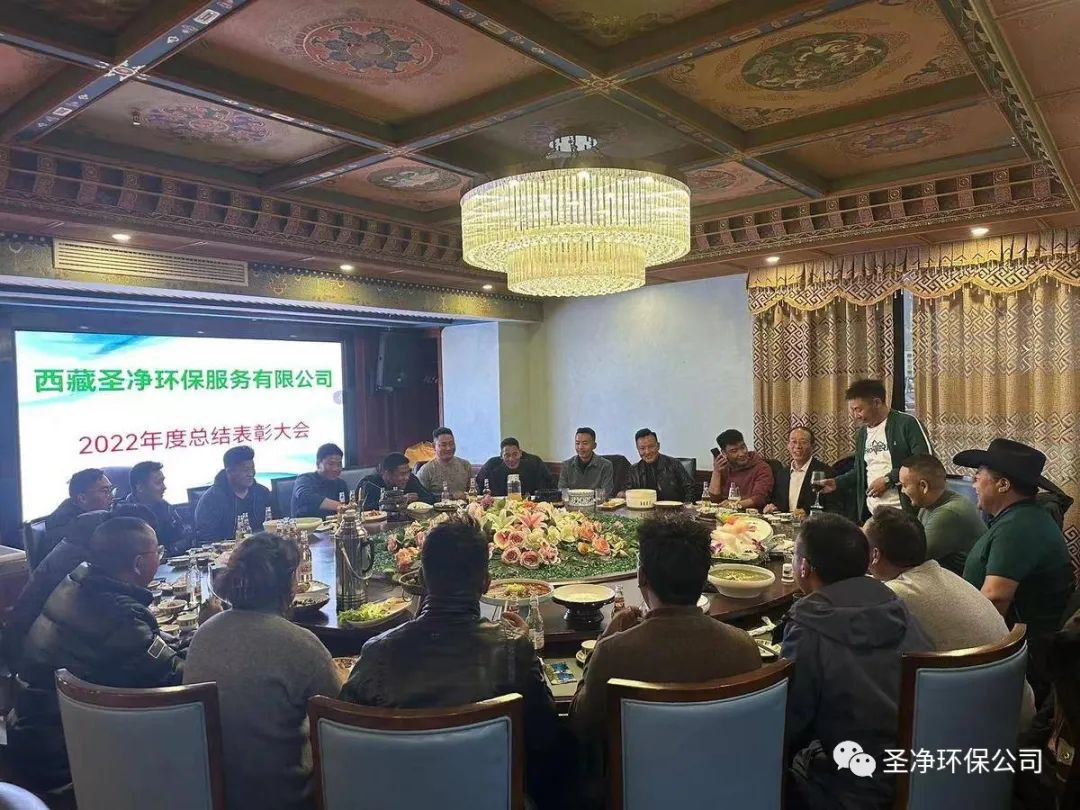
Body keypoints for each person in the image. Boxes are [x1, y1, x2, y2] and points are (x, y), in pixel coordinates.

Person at [340, 517, 558, 802]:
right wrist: (526, 649)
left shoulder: (377, 653)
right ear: (486, 583)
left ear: (421, 579)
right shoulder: (512, 648)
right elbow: (546, 735)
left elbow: (345, 748)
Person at [7, 516, 184, 790]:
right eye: (157, 552)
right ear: (138, 564)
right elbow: (179, 678)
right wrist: (210, 634)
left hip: (33, 736)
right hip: (68, 765)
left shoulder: (76, 580)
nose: (160, 557)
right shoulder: (120, 616)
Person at [782, 512, 929, 810]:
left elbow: (789, 722)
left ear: (805, 567)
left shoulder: (810, 625)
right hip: (918, 771)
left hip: (852, 785)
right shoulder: (895, 604)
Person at [184, 532, 339, 810]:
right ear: (287, 584)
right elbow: (342, 723)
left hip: (214, 796)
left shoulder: (202, 635)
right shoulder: (301, 645)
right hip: (287, 799)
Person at [570, 515, 759, 741]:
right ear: (704, 578)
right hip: (722, 763)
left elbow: (579, 723)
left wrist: (604, 640)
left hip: (637, 765)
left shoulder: (613, 653)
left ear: (642, 577)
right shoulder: (744, 648)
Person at [864, 506, 1035, 727]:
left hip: (973, 728)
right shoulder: (942, 574)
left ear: (875, 555)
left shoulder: (894, 597)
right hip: (1015, 716)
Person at [956, 439, 1074, 702]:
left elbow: (996, 598)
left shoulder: (1018, 527)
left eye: (978, 477)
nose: (973, 484)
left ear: (1003, 484)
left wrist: (966, 653)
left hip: (1024, 660)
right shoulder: (1020, 518)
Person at [2, 502, 156, 671]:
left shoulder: (84, 563)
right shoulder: (83, 566)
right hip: (38, 665)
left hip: (39, 662)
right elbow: (166, 670)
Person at [817, 379, 932, 521]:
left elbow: (924, 461)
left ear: (877, 403)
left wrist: (888, 480)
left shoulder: (907, 424)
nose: (856, 416)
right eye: (853, 410)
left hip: (906, 513)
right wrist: (837, 483)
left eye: (859, 409)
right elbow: (860, 471)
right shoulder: (862, 434)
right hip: (874, 513)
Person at [897, 454, 985, 574]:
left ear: (923, 486)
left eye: (904, 485)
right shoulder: (929, 503)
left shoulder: (948, 514)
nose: (902, 491)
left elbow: (909, 561)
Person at [195, 445, 272, 543]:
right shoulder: (211, 500)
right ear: (230, 472)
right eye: (245, 470)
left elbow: (276, 524)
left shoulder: (262, 492)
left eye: (252, 468)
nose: (251, 473)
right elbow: (206, 538)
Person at [39, 468, 114, 563]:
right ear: (82, 498)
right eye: (105, 491)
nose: (112, 497)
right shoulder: (66, 529)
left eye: (111, 490)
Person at [122, 460, 192, 555]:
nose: (164, 487)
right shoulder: (126, 515)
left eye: (163, 481)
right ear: (140, 487)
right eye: (158, 483)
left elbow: (185, 536)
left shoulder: (164, 506)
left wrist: (174, 549)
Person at [764, 426, 836, 515]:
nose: (798, 446)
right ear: (788, 446)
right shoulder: (781, 474)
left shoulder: (825, 473)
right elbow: (777, 503)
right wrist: (772, 507)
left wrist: (807, 513)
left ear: (812, 446)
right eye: (793, 442)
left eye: (803, 442)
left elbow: (833, 508)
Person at [708, 428, 774, 509]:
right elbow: (713, 500)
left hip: (751, 514)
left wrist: (734, 505)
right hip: (724, 513)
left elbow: (759, 498)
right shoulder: (724, 468)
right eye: (734, 451)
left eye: (743, 447)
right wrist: (716, 472)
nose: (741, 454)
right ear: (724, 453)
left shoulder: (761, 467)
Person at [624, 428, 696, 503]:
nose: (647, 452)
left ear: (658, 446)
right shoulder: (634, 470)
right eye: (642, 448)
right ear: (638, 449)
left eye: (651, 447)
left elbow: (690, 489)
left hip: (673, 509)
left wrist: (686, 506)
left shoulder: (674, 464)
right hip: (644, 509)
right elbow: (628, 494)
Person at [476, 438, 557, 497]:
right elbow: (478, 487)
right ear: (501, 456)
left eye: (515, 454)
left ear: (520, 453)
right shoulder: (491, 466)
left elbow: (550, 486)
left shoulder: (535, 463)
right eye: (507, 455)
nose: (511, 459)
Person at [355, 452, 436, 509]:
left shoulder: (411, 479)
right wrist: (397, 501)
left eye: (408, 472)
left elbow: (431, 498)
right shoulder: (369, 483)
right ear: (387, 473)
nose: (406, 477)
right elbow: (362, 508)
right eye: (402, 474)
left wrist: (417, 499)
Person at [291, 443, 347, 518]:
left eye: (339, 464)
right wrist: (340, 506)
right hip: (305, 524)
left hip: (334, 524)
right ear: (318, 464)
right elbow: (305, 496)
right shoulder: (304, 479)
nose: (336, 468)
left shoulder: (341, 484)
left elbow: (347, 507)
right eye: (331, 464)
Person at [557, 427, 614, 499]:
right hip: (572, 505)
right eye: (577, 443)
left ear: (594, 445)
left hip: (597, 505)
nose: (580, 447)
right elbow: (562, 491)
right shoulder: (566, 465)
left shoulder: (606, 465)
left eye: (585, 443)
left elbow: (606, 493)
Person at [417, 427, 474, 498]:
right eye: (443, 445)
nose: (448, 448)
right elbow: (421, 497)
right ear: (434, 446)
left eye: (451, 444)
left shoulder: (465, 465)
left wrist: (465, 495)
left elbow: (475, 492)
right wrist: (450, 497)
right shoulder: (426, 470)